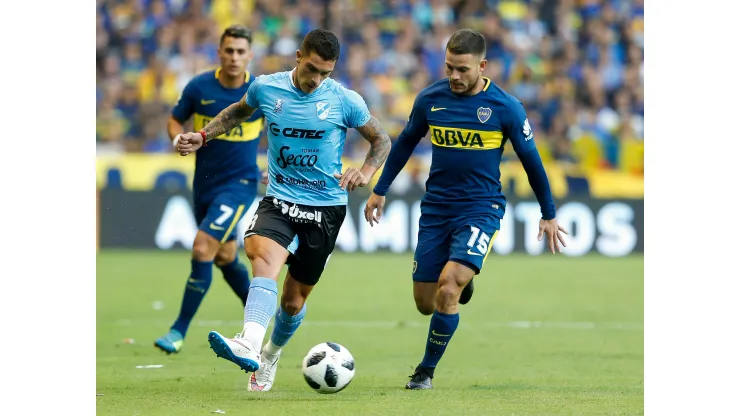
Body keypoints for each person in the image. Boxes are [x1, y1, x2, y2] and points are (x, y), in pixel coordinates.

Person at [176, 29, 392, 391]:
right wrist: (203, 136)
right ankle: (248, 342)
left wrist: (366, 171)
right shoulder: (267, 87)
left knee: (293, 302)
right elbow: (236, 113)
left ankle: (270, 354)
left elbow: (381, 139)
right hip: (279, 199)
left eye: (326, 72)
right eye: (312, 69)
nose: (317, 79)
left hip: (325, 209)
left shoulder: (345, 100)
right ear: (298, 56)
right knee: (261, 255)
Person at [364, 29, 568, 390]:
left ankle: (425, 371)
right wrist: (380, 189)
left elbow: (532, 163)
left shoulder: (506, 108)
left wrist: (548, 212)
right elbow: (406, 142)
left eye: (462, 69)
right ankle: (463, 282)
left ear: (482, 66)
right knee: (425, 303)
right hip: (437, 209)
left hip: (481, 208)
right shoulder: (430, 99)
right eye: (449, 68)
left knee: (448, 287)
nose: (454, 77)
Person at [154, 25, 264, 354]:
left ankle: (177, 330)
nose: (234, 57)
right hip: (203, 185)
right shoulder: (199, 86)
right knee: (225, 256)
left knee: (203, 248)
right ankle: (261, 314)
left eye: (240, 52)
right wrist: (177, 138)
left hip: (240, 184)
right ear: (219, 52)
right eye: (229, 50)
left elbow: (280, 128)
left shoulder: (260, 92)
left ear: (250, 55)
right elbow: (175, 119)